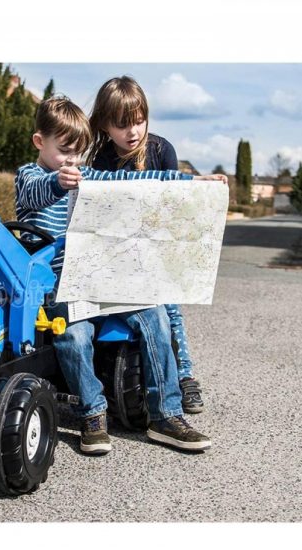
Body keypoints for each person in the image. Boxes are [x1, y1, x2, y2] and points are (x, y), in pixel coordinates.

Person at [15, 96, 227, 455]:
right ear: (40, 142)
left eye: (79, 153)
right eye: (64, 151)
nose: (73, 161)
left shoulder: (88, 175)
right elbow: (34, 194)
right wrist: (57, 182)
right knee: (74, 335)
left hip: (101, 278)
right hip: (59, 287)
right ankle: (92, 413)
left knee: (156, 316)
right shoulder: (31, 176)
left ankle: (166, 416)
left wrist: (192, 182)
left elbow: (136, 179)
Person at [88, 75, 204, 414]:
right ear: (105, 125)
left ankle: (184, 376)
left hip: (157, 248)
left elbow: (174, 205)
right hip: (121, 251)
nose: (133, 131)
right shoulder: (101, 158)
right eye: (123, 125)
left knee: (171, 309)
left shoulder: (162, 150)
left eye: (139, 121)